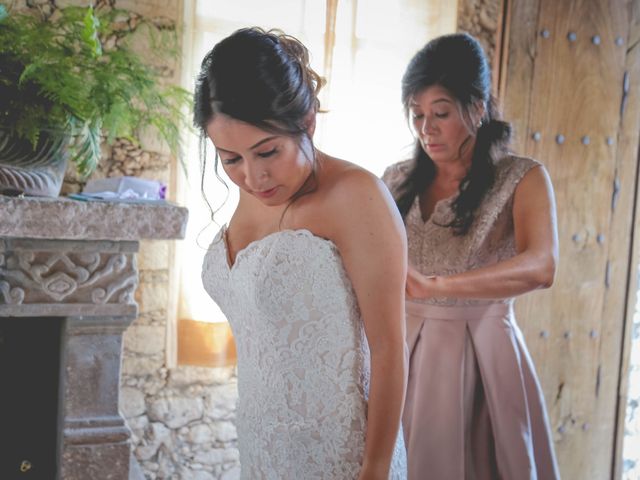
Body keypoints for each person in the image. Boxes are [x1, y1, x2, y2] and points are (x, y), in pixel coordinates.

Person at [195, 27, 408, 479]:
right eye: (230, 159)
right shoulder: (259, 189)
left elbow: (390, 349)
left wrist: (375, 469)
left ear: (307, 121)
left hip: (342, 453)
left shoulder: (356, 196)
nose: (253, 176)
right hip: (261, 446)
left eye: (267, 151)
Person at [382, 33, 561, 480]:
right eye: (417, 115)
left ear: (478, 108)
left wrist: (439, 286)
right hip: (401, 348)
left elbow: (542, 266)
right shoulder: (395, 179)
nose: (427, 129)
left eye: (440, 113)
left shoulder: (522, 178)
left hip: (484, 348)